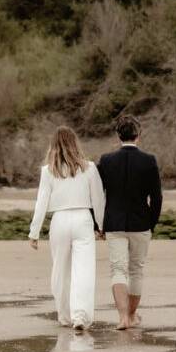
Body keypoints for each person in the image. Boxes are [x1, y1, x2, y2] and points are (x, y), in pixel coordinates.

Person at [29, 126, 105, 331]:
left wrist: (34, 232)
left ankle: (64, 315)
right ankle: (80, 315)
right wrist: (101, 225)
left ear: (54, 146)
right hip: (82, 219)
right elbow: (98, 199)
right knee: (84, 269)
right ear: (75, 143)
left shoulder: (48, 171)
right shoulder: (89, 168)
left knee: (60, 270)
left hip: (60, 221)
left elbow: (41, 202)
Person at [96, 115, 162, 330]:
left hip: (114, 223)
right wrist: (151, 224)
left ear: (118, 136)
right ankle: (131, 316)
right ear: (138, 136)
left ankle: (122, 317)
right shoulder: (149, 160)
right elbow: (157, 197)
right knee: (136, 270)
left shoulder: (106, 161)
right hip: (141, 223)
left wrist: (98, 223)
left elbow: (97, 195)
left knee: (117, 270)